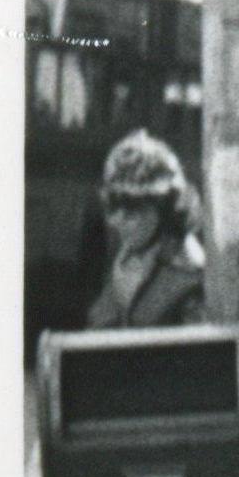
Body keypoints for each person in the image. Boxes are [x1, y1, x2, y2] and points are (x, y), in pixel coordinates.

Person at [82, 131, 209, 330]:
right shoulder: (122, 256)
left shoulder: (190, 276)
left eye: (132, 206)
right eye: (113, 205)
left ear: (165, 207)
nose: (118, 220)